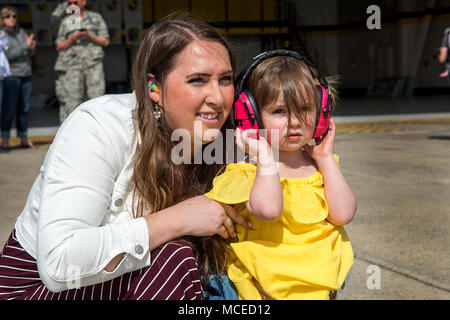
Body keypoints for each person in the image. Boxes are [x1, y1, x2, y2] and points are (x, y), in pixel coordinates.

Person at [0, 15, 250, 300]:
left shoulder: (229, 140)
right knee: (175, 259)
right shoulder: (99, 125)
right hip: (38, 291)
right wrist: (179, 219)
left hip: (140, 283)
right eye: (197, 80)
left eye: (226, 79)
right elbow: (59, 263)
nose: (218, 97)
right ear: (153, 87)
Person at [205, 50, 356, 300]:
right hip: (264, 286)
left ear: (322, 112)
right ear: (250, 115)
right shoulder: (249, 171)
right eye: (279, 111)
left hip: (318, 281)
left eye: (305, 109)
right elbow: (269, 210)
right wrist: (264, 156)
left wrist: (326, 158)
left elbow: (343, 215)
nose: (295, 122)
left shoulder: (321, 166)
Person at [54, 0, 109, 123]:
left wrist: (89, 36)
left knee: (97, 99)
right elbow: (59, 46)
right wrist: (72, 39)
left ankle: (99, 130)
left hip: (93, 63)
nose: (72, 5)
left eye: (76, 2)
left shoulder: (95, 18)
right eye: (70, 3)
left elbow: (105, 41)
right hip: (72, 65)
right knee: (72, 100)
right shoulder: (66, 22)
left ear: (84, 2)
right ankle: (69, 133)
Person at [0, 6, 36, 150]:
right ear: (2, 19)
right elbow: (7, 55)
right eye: (8, 16)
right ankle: (6, 138)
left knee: (24, 108)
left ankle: (23, 137)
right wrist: (25, 46)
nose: (12, 19)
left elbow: (29, 53)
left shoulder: (21, 32)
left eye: (14, 16)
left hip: (26, 74)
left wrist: (31, 47)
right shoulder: (2, 35)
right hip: (12, 76)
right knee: (9, 108)